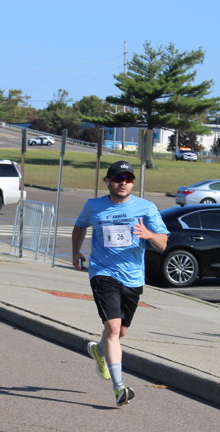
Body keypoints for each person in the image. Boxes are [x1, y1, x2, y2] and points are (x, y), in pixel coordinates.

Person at [71, 160, 169, 406]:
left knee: (121, 331)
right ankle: (119, 387)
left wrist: (149, 235)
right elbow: (79, 226)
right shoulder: (94, 206)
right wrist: (76, 252)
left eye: (128, 179)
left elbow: (163, 243)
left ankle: (98, 350)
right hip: (102, 272)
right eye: (118, 179)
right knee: (113, 328)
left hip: (133, 277)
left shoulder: (146, 208)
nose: (123, 183)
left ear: (133, 183)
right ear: (108, 181)